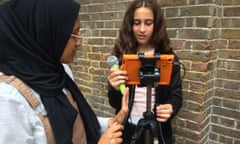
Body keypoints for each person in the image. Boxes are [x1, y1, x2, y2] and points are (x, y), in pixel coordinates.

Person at [0, 0, 129, 144]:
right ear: (46, 33)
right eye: (73, 34)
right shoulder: (9, 99)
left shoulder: (59, 72)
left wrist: (110, 123)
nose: (79, 42)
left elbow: (75, 122)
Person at [107, 0, 183, 143]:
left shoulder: (168, 57)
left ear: (156, 25)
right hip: (127, 128)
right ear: (130, 25)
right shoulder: (121, 56)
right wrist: (115, 88)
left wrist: (171, 107)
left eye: (148, 23)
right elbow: (114, 102)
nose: (142, 29)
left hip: (158, 130)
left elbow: (176, 95)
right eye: (137, 23)